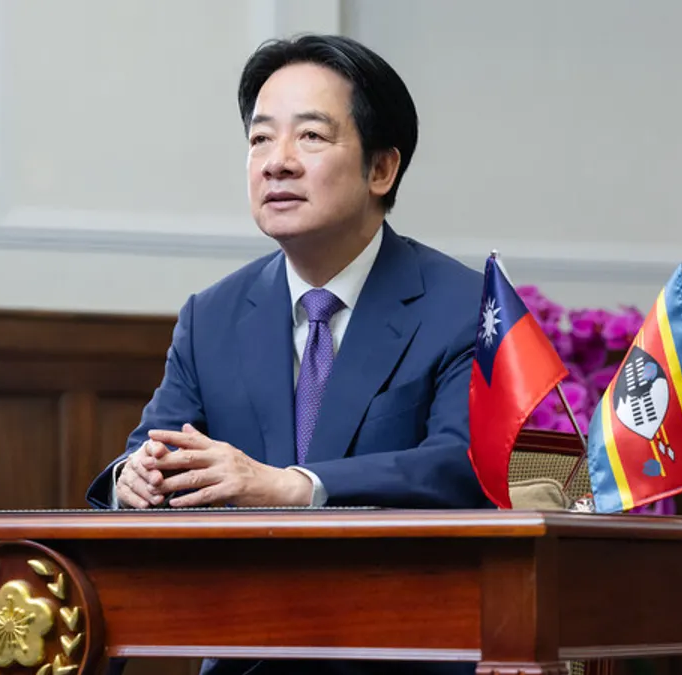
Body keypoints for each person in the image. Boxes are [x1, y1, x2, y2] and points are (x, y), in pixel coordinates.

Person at [86, 34, 488, 675]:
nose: (277, 163)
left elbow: (463, 468)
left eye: (311, 136)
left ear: (381, 170)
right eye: (260, 139)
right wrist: (133, 479)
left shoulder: (463, 306)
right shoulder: (212, 316)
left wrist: (294, 488)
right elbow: (152, 449)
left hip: (401, 654)